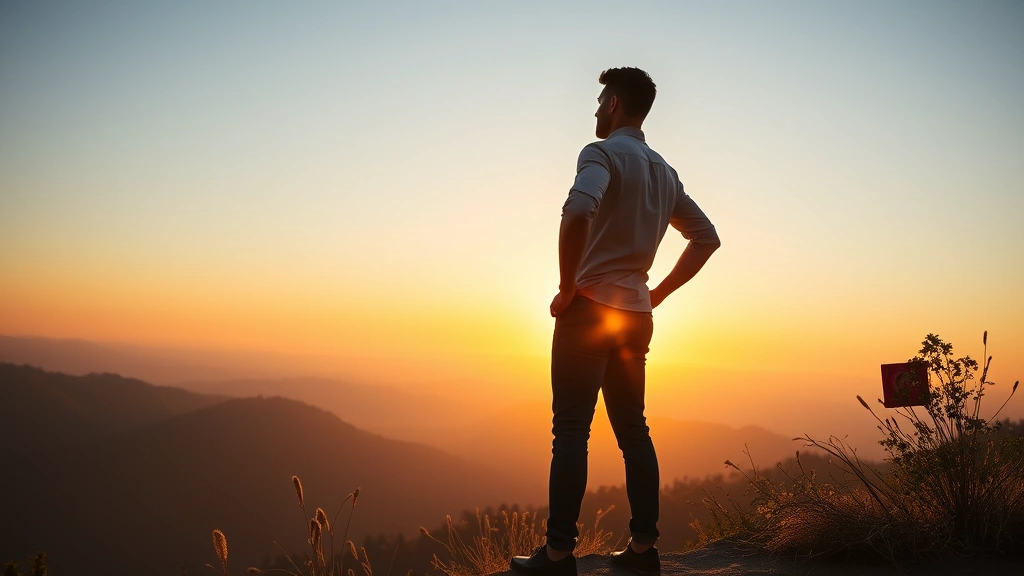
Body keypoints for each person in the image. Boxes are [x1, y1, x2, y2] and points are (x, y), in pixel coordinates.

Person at [510, 67, 721, 576]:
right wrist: (658, 294)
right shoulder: (664, 172)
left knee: (570, 434)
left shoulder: (599, 154)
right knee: (634, 431)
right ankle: (644, 551)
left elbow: (579, 209)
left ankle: (559, 555)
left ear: (616, 104)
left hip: (588, 313)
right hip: (636, 317)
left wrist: (567, 287)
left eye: (601, 98)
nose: (596, 107)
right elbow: (706, 237)